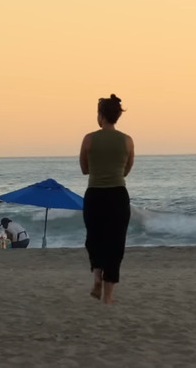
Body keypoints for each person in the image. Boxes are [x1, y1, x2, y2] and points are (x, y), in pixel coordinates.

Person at [80, 94, 135, 304]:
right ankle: (108, 297)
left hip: (95, 194)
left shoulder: (89, 139)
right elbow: (126, 170)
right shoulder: (127, 140)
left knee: (94, 239)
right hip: (118, 196)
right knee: (115, 244)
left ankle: (96, 278)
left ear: (101, 115)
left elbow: (84, 169)